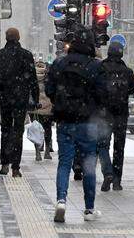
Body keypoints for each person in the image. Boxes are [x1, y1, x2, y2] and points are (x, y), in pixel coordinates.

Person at [45, 26, 107, 223]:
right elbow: (102, 94)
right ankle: (89, 209)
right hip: (88, 123)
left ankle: (61, 200)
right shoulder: (96, 66)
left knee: (64, 163)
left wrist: (61, 103)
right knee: (89, 165)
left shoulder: (60, 63)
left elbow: (49, 89)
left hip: (65, 120)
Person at [0, 28, 39, 178]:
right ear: (18, 38)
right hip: (20, 99)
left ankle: (5, 163)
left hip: (6, 98)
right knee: (18, 131)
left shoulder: (1, 54)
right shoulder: (26, 55)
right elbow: (32, 79)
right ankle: (16, 167)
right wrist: (35, 99)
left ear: (6, 38)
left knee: (5, 130)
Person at [98, 42, 134, 192]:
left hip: (104, 114)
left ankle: (107, 172)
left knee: (102, 145)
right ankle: (117, 180)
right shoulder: (127, 71)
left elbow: (95, 87)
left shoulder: (101, 68)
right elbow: (133, 87)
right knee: (119, 148)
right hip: (121, 113)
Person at [30, 59, 54, 160]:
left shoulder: (31, 77)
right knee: (47, 129)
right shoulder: (48, 77)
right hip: (47, 108)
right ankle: (47, 151)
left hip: (35, 108)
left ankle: (37, 153)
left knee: (36, 130)